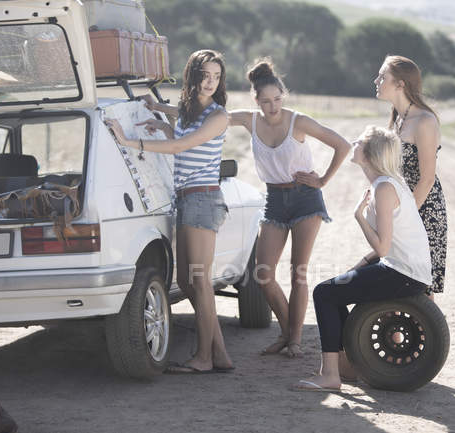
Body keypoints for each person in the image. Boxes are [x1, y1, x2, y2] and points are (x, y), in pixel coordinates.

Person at [105, 49, 233, 373]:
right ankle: (219, 354)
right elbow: (180, 124)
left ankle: (204, 359)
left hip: (203, 199)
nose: (210, 82)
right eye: (205, 75)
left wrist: (129, 141)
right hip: (187, 198)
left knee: (200, 282)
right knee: (187, 282)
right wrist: (155, 111)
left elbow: (180, 147)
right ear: (193, 76)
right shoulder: (190, 111)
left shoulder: (219, 115)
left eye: (216, 77)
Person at [293, 126, 432, 392]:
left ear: (368, 155)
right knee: (334, 290)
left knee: (324, 293)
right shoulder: (387, 182)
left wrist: (359, 217)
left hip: (404, 274)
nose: (353, 142)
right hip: (403, 268)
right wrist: (359, 266)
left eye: (359, 141)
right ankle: (346, 366)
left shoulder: (384, 188)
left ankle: (331, 375)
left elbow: (383, 247)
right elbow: (393, 247)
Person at [228, 58, 350, 358]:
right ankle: (287, 332)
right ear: (255, 100)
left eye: (278, 99)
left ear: (284, 95)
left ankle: (294, 340)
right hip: (274, 200)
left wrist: (322, 180)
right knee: (263, 274)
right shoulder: (249, 120)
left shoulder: (299, 121)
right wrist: (163, 110)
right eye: (266, 101)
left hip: (306, 199)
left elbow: (343, 145)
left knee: (298, 272)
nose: (273, 107)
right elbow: (207, 117)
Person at [375, 55, 447, 298]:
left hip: (422, 208)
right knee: (396, 282)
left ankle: (430, 337)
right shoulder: (397, 119)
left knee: (419, 290)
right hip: (403, 206)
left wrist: (407, 217)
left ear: (400, 84)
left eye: (382, 76)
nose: (377, 81)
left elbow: (427, 179)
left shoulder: (424, 121)